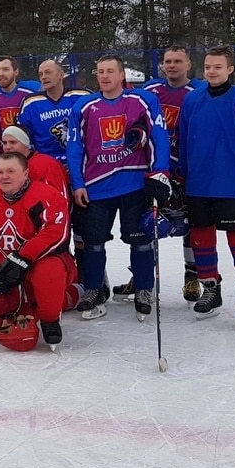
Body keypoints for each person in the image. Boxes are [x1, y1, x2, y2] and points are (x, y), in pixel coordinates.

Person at [65, 55, 171, 321]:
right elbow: (75, 147)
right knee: (93, 242)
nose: (104, 76)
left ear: (122, 74)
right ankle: (93, 288)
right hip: (96, 186)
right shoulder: (84, 106)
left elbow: (158, 136)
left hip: (134, 183)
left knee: (141, 240)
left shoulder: (142, 101)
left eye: (110, 71)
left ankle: (145, 288)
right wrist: (78, 183)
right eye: (100, 71)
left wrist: (160, 173)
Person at [179, 46, 235, 322]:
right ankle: (210, 288)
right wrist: (182, 175)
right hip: (198, 184)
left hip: (233, 183)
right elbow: (183, 141)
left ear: (230, 69)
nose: (211, 71)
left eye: (218, 67)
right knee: (201, 239)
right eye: (207, 67)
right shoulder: (193, 101)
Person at [115, 45, 207, 303]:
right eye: (168, 61)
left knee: (190, 224)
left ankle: (191, 276)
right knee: (145, 224)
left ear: (189, 64)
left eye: (178, 61)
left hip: (186, 170)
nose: (172, 66)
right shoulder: (151, 91)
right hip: (154, 170)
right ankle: (141, 276)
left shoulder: (198, 92)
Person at [0, 152, 76, 351]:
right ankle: (32, 307)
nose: (4, 176)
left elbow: (56, 233)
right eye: (0, 171)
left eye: (11, 171)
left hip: (42, 262)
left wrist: (22, 258)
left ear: (26, 173)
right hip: (6, 268)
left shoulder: (47, 195)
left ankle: (53, 315)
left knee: (47, 274)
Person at [17, 60, 90, 166]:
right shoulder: (30, 103)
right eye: (40, 74)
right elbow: (24, 137)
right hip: (47, 164)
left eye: (48, 72)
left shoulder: (82, 96)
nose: (43, 77)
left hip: (80, 160)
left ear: (61, 74)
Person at [0, 125, 71, 204]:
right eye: (4, 143)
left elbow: (61, 200)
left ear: (25, 143)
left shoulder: (46, 164)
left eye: (13, 142)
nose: (7, 147)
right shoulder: (0, 168)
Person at [0, 56, 35, 145]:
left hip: (29, 151)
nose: (1, 74)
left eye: (5, 69)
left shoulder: (33, 91)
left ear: (16, 72)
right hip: (2, 154)